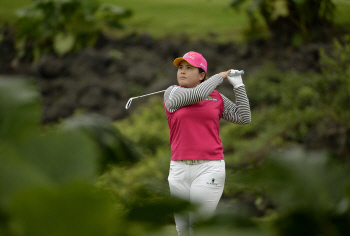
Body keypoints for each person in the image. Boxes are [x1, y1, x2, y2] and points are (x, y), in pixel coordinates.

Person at [163, 51, 251, 235]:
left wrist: (239, 86)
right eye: (180, 68)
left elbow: (244, 118)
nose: (182, 72)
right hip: (178, 170)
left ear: (202, 75)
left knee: (198, 228)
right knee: (182, 229)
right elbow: (196, 94)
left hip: (209, 168)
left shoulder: (216, 97)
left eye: (189, 68)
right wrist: (220, 76)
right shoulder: (172, 93)